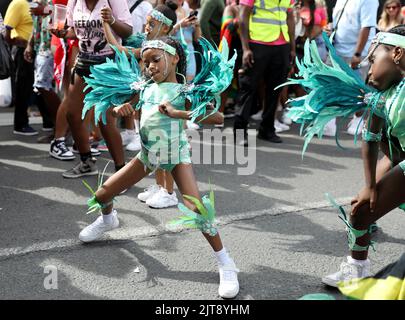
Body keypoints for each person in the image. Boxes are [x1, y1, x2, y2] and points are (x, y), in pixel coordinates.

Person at [79, 35, 240, 299]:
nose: (150, 66)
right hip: (147, 157)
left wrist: (179, 114)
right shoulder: (144, 87)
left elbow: (217, 117)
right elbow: (124, 106)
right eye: (145, 62)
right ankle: (109, 219)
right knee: (101, 195)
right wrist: (122, 108)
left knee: (197, 209)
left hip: (176, 156)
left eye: (155, 60)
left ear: (175, 58)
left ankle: (226, 263)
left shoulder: (184, 92)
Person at [283, 26, 405, 287]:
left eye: (373, 61)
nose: (369, 71)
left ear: (397, 53)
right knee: (361, 210)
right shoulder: (382, 98)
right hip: (401, 159)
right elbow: (371, 141)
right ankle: (356, 268)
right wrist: (371, 185)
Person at [103, 2, 181, 208]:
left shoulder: (169, 47)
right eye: (146, 23)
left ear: (165, 27)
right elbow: (119, 50)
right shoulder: (144, 43)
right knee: (152, 146)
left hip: (165, 101)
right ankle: (159, 186)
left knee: (165, 147)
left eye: (151, 23)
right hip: (147, 99)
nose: (146, 27)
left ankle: (169, 191)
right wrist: (107, 23)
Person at [52, 0, 132, 178]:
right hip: (84, 61)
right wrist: (64, 33)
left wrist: (111, 20)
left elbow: (128, 30)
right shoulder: (75, 1)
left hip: (109, 63)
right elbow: (75, 32)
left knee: (104, 119)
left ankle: (121, 173)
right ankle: (87, 162)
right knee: (72, 113)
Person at [233, 0, 296, 146]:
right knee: (248, 89)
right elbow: (243, 16)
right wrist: (246, 48)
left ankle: (267, 129)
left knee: (275, 90)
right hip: (257, 43)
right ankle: (239, 133)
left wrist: (292, 47)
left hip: (282, 46)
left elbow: (290, 18)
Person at [325, 0, 379, 137]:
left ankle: (358, 120)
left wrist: (357, 54)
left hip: (357, 53)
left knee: (359, 90)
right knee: (330, 86)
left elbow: (366, 26)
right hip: (336, 50)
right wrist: (330, 28)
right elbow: (341, 22)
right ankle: (329, 123)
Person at [4, 0, 37, 135]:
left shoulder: (34, 4)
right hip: (21, 51)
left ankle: (48, 121)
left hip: (34, 50)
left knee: (36, 87)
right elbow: (6, 29)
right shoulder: (18, 3)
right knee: (23, 88)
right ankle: (20, 125)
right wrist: (14, 42)